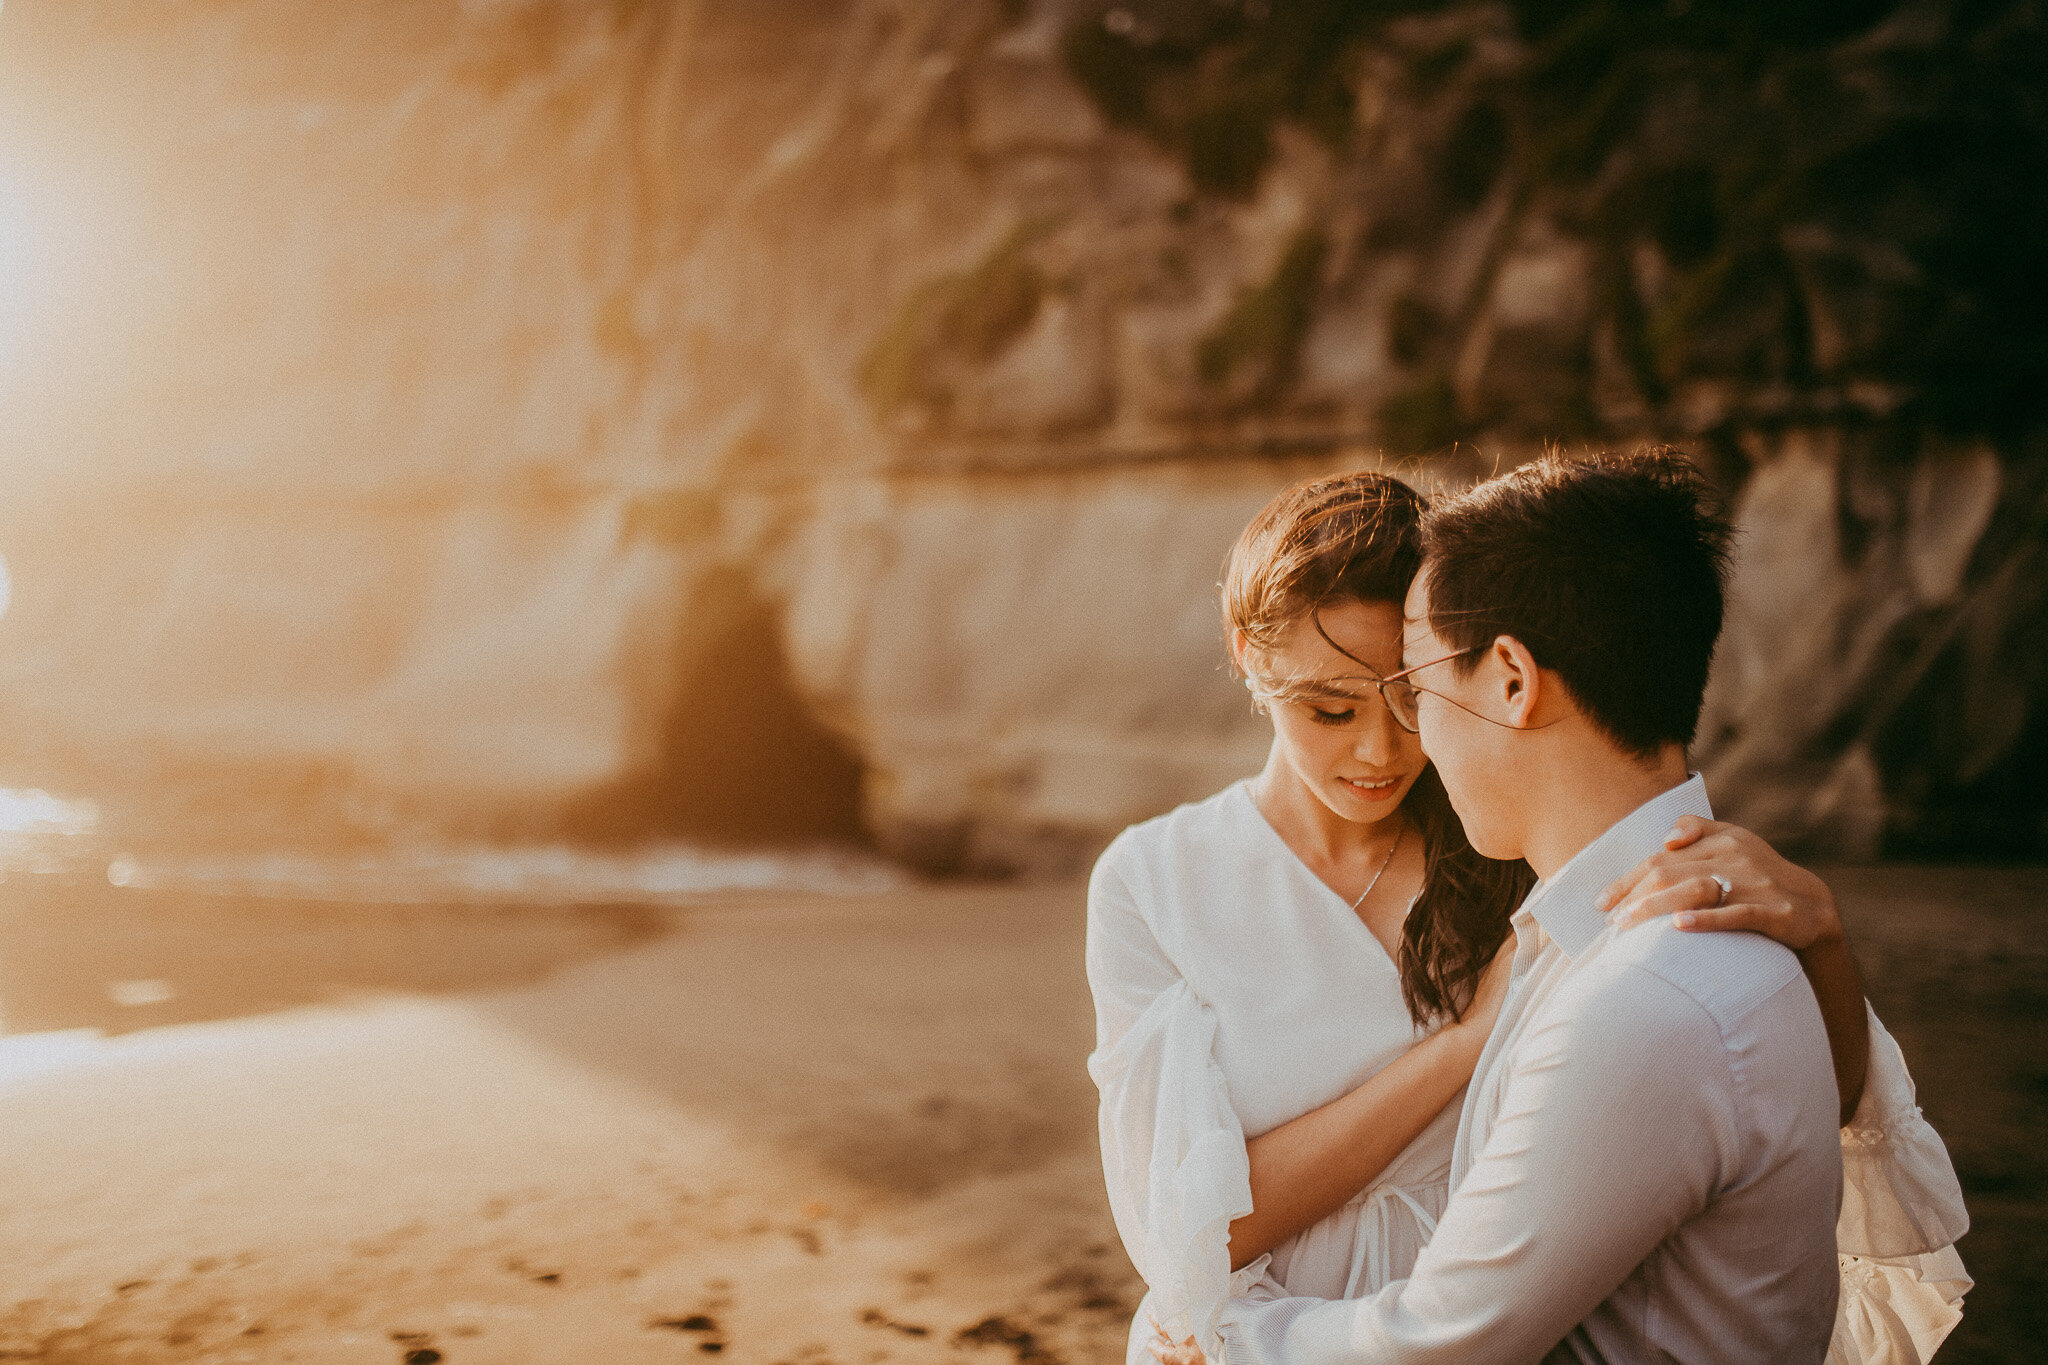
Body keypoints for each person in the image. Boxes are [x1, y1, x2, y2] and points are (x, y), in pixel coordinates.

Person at [1087, 462, 1968, 1365]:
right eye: (1330, 708)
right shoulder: (1157, 879)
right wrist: (1463, 1043)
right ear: (1250, 660)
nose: (1388, 744)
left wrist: (1820, 935)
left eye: (1413, 689)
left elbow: (1452, 1334)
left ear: (1507, 674)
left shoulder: (1540, 873)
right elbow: (1189, 1226)